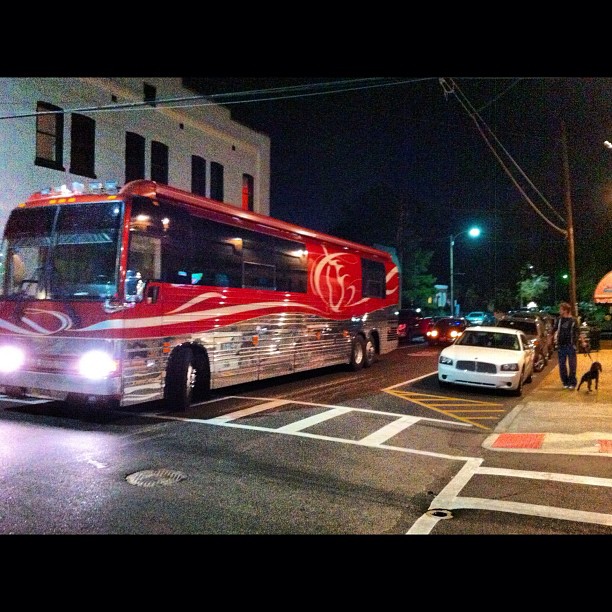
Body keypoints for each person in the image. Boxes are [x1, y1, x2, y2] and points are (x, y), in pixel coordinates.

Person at [554, 302, 579, 389]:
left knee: (572, 365)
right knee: (562, 365)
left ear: (565, 310)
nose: (559, 311)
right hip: (561, 346)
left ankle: (572, 382)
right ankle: (565, 382)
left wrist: (582, 342)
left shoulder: (573, 320)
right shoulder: (559, 320)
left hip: (570, 345)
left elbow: (578, 332)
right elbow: (554, 330)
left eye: (561, 309)